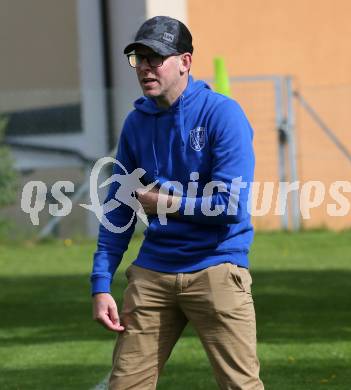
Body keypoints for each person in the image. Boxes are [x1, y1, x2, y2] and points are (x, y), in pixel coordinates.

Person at [91, 15, 264, 390]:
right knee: (125, 386)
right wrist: (101, 283)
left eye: (156, 57)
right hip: (154, 271)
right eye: (139, 57)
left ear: (185, 62)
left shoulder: (222, 114)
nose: (146, 66)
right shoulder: (136, 123)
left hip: (216, 267)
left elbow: (230, 206)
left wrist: (165, 203)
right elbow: (117, 209)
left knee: (241, 386)